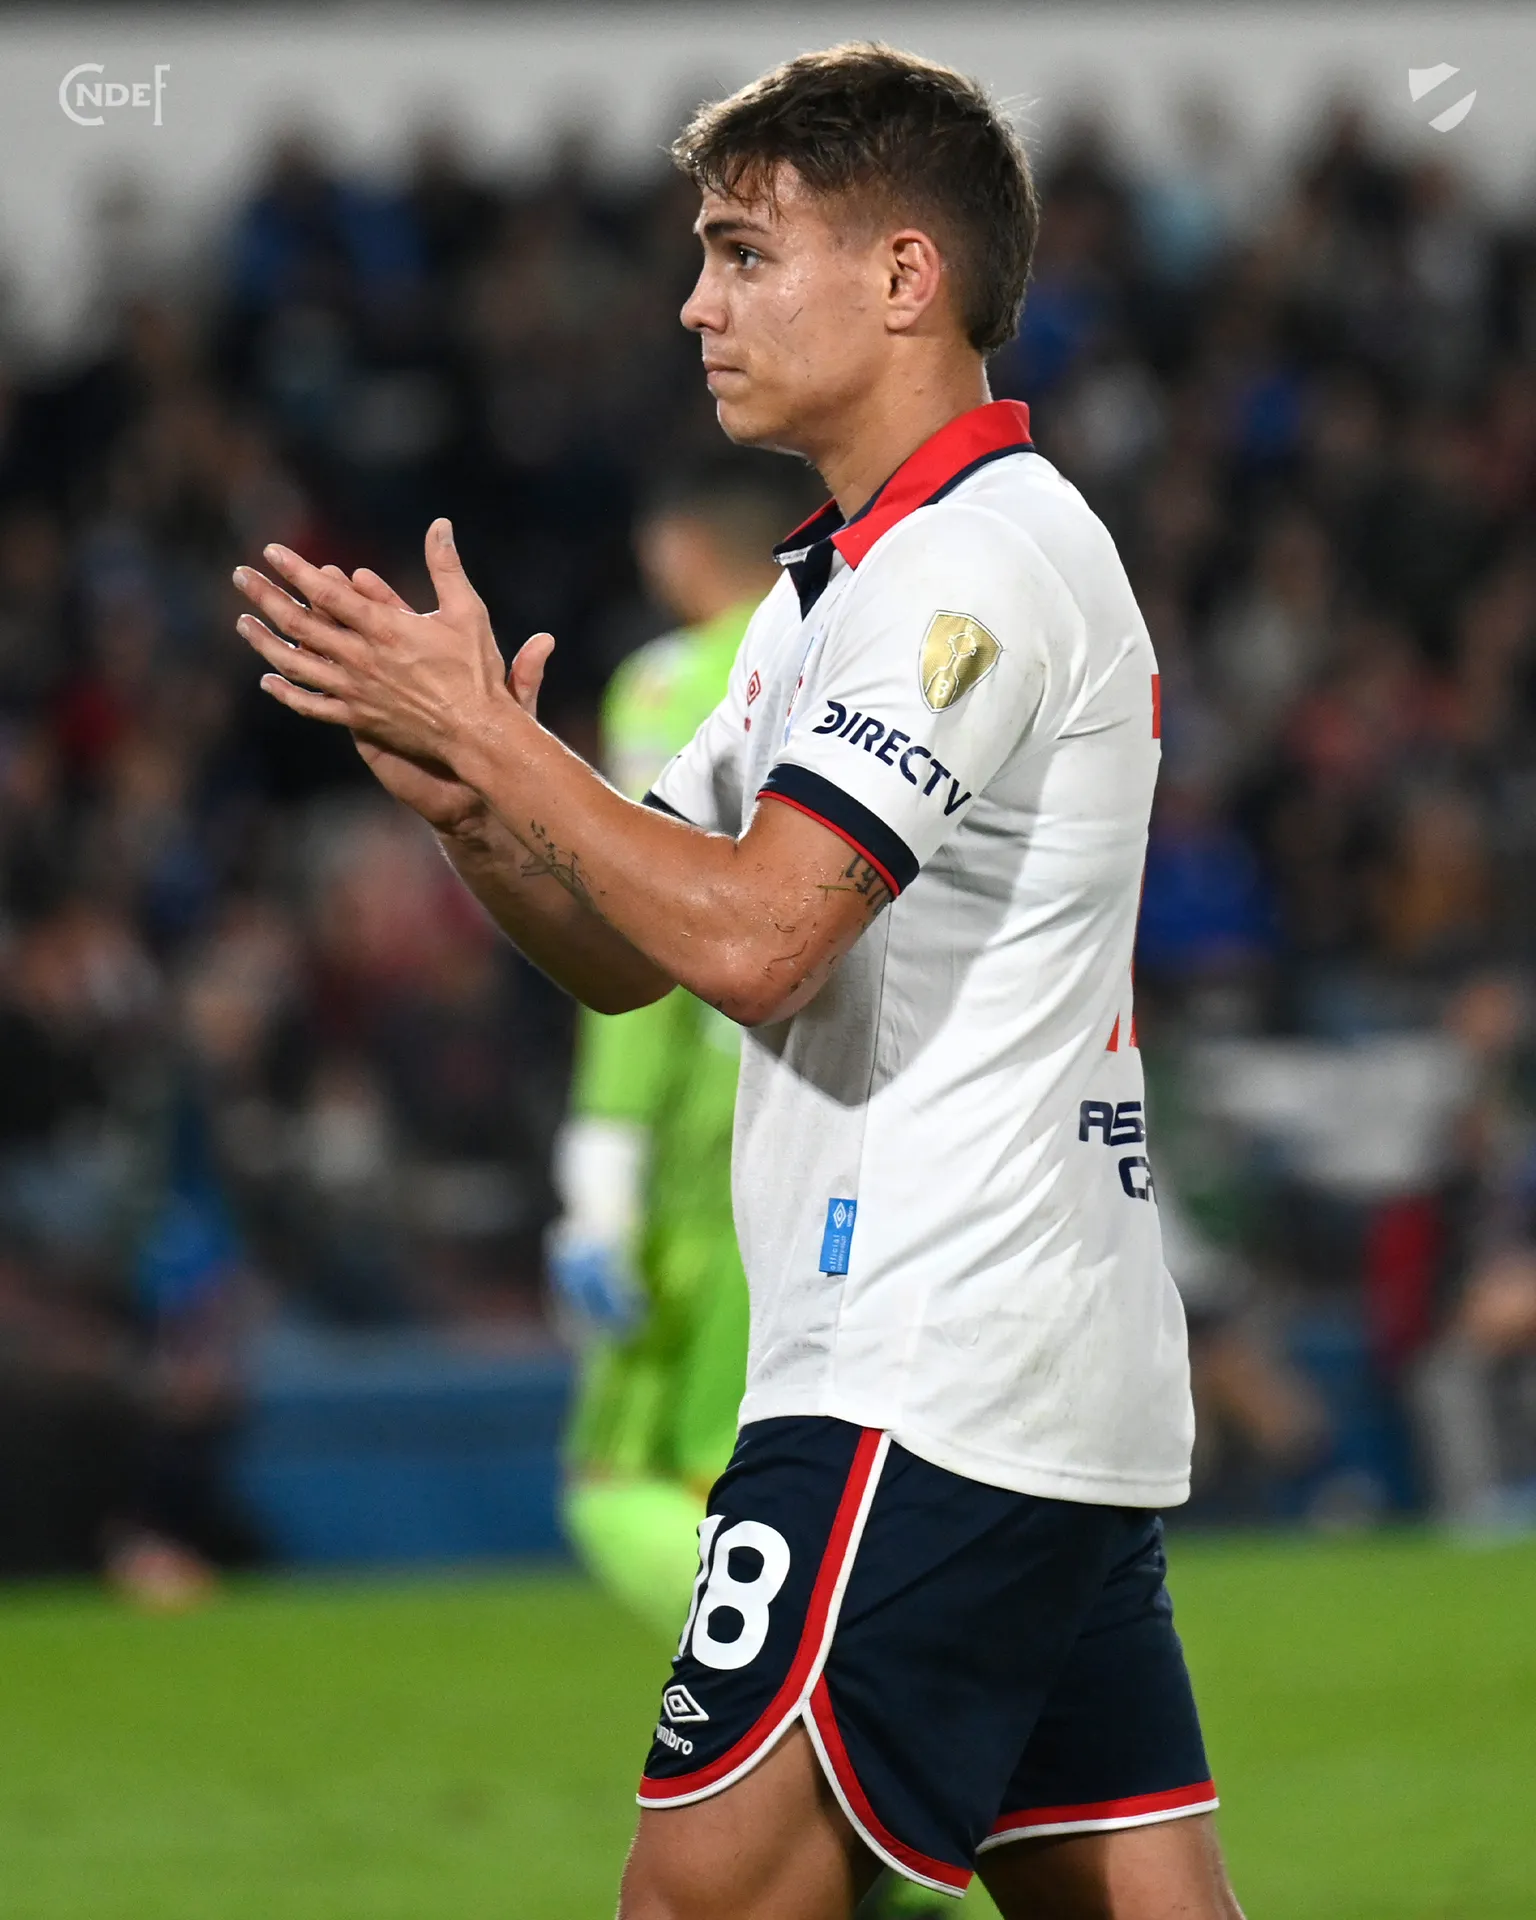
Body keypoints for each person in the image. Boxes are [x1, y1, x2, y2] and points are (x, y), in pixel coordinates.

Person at [232, 41, 1243, 1920]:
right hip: (1018, 1366)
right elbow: (633, 953)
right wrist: (476, 807)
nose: (697, 303)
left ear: (905, 276)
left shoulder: (974, 570)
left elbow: (760, 939)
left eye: (744, 252)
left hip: (924, 1363)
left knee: (700, 1898)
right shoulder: (833, 592)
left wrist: (508, 748)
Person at [554, 461, 789, 1643]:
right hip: (849, 1118)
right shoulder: (857, 645)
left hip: (711, 1135)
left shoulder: (674, 680)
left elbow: (642, 910)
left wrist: (603, 1162)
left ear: (678, 546)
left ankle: (810, 1681)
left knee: (629, 1486)